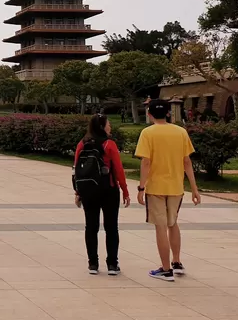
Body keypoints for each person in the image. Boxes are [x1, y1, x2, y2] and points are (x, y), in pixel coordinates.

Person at [136, 98, 201, 282]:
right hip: (176, 186)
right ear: (168, 113)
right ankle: (177, 262)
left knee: (160, 227)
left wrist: (141, 187)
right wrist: (194, 189)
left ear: (149, 114)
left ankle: (165, 269)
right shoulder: (181, 132)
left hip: (156, 186)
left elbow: (146, 162)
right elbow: (187, 161)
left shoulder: (147, 133)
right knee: (173, 223)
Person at [73, 114, 130, 275]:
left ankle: (93, 264)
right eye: (108, 124)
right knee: (111, 227)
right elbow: (118, 170)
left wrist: (78, 191)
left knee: (91, 227)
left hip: (89, 190)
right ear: (102, 127)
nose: (110, 127)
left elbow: (78, 169)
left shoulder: (82, 144)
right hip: (109, 189)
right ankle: (112, 264)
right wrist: (125, 190)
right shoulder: (109, 144)